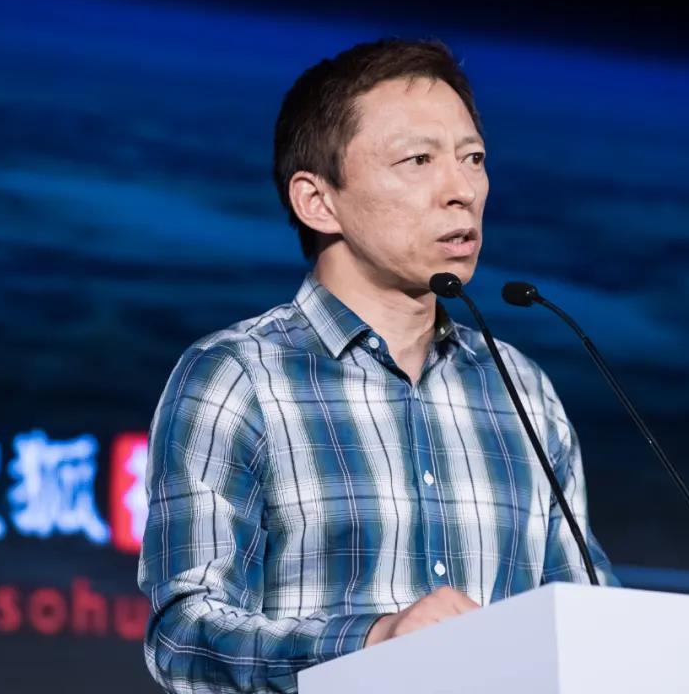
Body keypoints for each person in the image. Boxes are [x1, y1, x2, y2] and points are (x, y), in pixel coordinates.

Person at [138, 38, 618, 693]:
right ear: (318, 201)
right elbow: (185, 638)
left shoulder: (523, 392)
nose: (461, 191)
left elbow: (592, 628)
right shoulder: (238, 380)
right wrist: (371, 645)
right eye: (418, 160)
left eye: (473, 159)